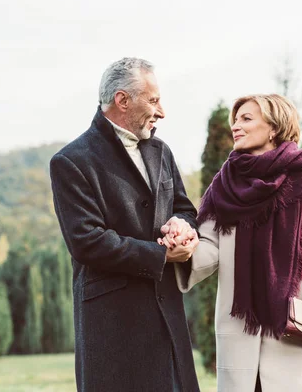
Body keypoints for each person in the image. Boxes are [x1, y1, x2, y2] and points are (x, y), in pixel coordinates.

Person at [163, 94, 302, 392]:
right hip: (240, 329)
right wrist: (182, 250)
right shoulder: (224, 184)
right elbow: (209, 244)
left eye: (246, 119)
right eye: (235, 120)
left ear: (274, 126)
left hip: (296, 326)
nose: (236, 126)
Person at [50, 57, 201, 392]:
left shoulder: (161, 151)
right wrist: (161, 256)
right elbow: (87, 241)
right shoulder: (71, 161)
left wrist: (183, 226)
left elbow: (184, 207)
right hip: (113, 330)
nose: (161, 111)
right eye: (154, 100)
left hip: (168, 320)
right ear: (122, 100)